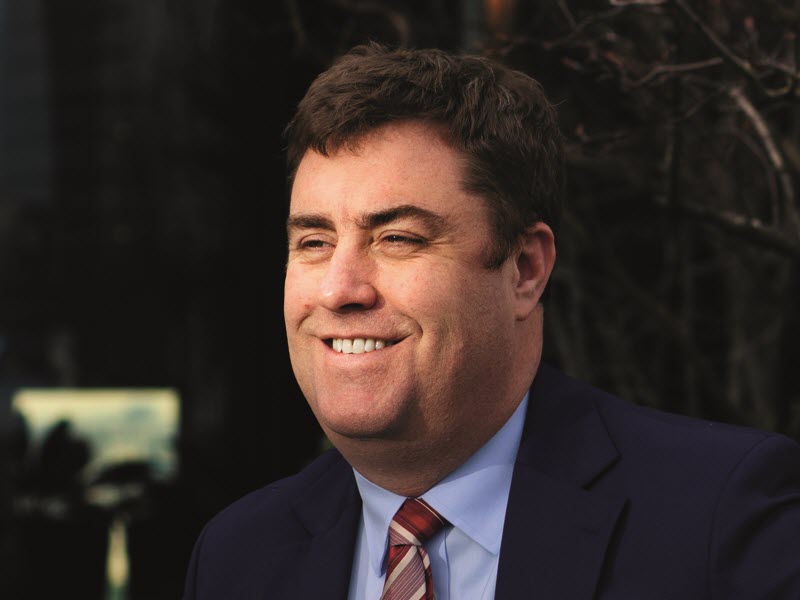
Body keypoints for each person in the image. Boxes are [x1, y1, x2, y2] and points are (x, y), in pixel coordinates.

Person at [182, 43, 800, 600]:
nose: (339, 290)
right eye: (314, 243)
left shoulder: (720, 518)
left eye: (398, 238)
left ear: (525, 269)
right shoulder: (238, 557)